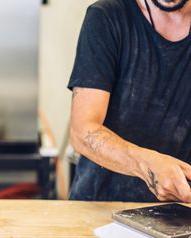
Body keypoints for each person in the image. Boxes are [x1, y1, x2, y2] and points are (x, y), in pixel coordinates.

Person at [68, 0, 191, 202]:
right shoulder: (106, 17)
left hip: (179, 213)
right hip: (101, 207)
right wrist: (146, 164)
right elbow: (82, 131)